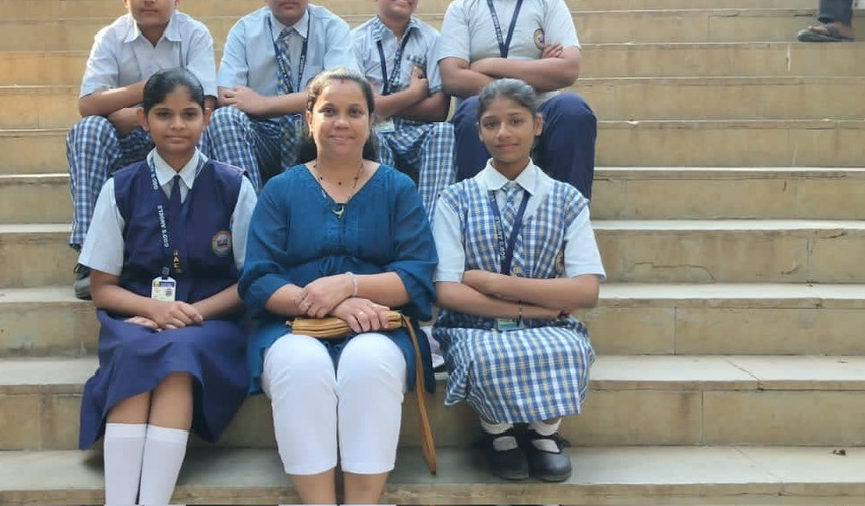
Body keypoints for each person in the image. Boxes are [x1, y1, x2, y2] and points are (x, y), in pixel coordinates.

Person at [240, 69, 437, 504]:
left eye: (355, 112)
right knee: (301, 367)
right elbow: (258, 278)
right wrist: (325, 305)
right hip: (290, 326)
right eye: (329, 111)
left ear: (371, 120)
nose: (341, 122)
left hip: (380, 325)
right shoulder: (280, 190)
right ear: (308, 118)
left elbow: (416, 275)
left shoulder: (398, 188)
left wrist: (349, 286)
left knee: (368, 364)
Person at [77, 68, 257, 506]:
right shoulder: (120, 188)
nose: (177, 125)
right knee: (136, 351)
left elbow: (251, 282)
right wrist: (155, 310)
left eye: (189, 114)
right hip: (138, 317)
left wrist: (189, 314)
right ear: (143, 119)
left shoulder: (233, 185)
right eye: (163, 114)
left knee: (179, 357)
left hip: (211, 322)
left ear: (207, 118)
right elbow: (103, 288)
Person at [431, 78, 604, 483]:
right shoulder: (455, 199)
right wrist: (536, 308)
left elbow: (586, 290)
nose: (503, 133)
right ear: (479, 132)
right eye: (491, 124)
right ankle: (498, 432)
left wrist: (495, 283)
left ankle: (545, 433)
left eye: (516, 121)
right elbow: (446, 290)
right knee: (486, 353)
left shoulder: (567, 199)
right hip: (475, 323)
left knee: (569, 349)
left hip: (549, 325)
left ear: (537, 125)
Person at [67, 0, 218, 299]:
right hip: (130, 140)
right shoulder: (110, 37)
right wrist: (150, 89)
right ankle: (92, 257)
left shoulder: (195, 34)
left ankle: (213, 249)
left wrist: (136, 113)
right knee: (88, 131)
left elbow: (205, 102)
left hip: (176, 135)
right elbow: (88, 104)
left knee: (212, 122)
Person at [437, 0, 597, 200]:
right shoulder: (461, 9)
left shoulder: (549, 3)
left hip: (542, 109)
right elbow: (452, 77)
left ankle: (569, 214)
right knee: (469, 110)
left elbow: (568, 70)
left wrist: (489, 65)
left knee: (573, 109)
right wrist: (537, 71)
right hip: (484, 107)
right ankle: (479, 212)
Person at [203, 0, 358, 190]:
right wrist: (308, 97)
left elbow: (341, 92)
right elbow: (226, 95)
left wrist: (263, 104)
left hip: (314, 132)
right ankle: (249, 208)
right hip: (262, 134)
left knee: (350, 124)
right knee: (224, 119)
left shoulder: (332, 28)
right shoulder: (245, 30)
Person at [351, 0, 455, 218]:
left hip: (414, 132)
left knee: (444, 132)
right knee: (369, 136)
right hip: (372, 130)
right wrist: (415, 93)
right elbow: (361, 109)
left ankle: (431, 226)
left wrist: (382, 104)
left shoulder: (431, 39)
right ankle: (383, 226)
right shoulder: (355, 41)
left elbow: (439, 109)